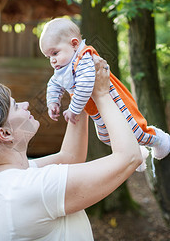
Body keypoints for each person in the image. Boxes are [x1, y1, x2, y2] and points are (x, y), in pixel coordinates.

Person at [0, 57, 142, 241]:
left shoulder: (5, 178)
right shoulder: (28, 189)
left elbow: (70, 157)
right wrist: (101, 93)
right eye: (16, 106)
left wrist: (80, 93)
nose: (25, 105)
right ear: (5, 133)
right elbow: (129, 157)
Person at [39, 18, 170, 169]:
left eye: (55, 53)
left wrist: (73, 110)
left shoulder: (84, 59)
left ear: (74, 44)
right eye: (49, 57)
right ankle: (135, 150)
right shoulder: (64, 66)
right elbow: (54, 83)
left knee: (136, 130)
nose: (53, 61)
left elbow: (85, 86)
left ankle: (160, 139)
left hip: (114, 102)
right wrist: (53, 101)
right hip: (96, 110)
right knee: (107, 137)